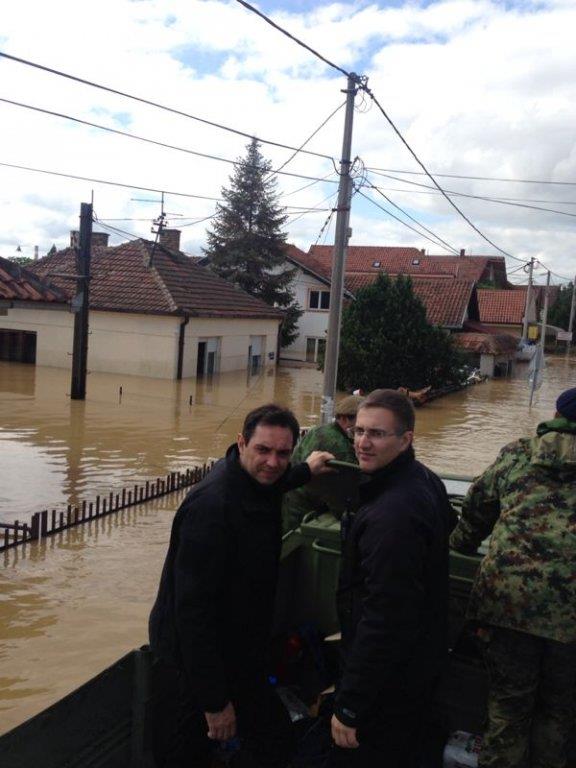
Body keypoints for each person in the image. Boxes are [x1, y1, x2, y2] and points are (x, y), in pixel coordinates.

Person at [149, 403, 334, 768]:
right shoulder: (213, 508)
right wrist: (215, 703)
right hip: (194, 665)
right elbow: (192, 613)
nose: (272, 461)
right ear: (241, 442)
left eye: (283, 453)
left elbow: (277, 478)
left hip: (239, 649)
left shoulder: (255, 481)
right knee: (187, 753)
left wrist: (306, 470)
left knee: (274, 741)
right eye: (263, 450)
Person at [450, 387, 576, 768]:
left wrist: (462, 542)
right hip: (569, 619)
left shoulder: (519, 454)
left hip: (507, 605)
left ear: (556, 414)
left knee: (508, 705)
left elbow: (476, 507)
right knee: (558, 710)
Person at [328, 388, 454, 767]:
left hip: (387, 681)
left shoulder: (392, 515)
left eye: (377, 434)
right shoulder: (424, 480)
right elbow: (451, 523)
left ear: (406, 439)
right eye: (359, 431)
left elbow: (384, 617)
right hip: (417, 663)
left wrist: (350, 704)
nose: (363, 443)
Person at [282, 395, 364, 533]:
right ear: (344, 419)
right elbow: (345, 503)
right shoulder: (337, 445)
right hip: (301, 518)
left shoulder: (320, 430)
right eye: (361, 424)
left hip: (289, 506)